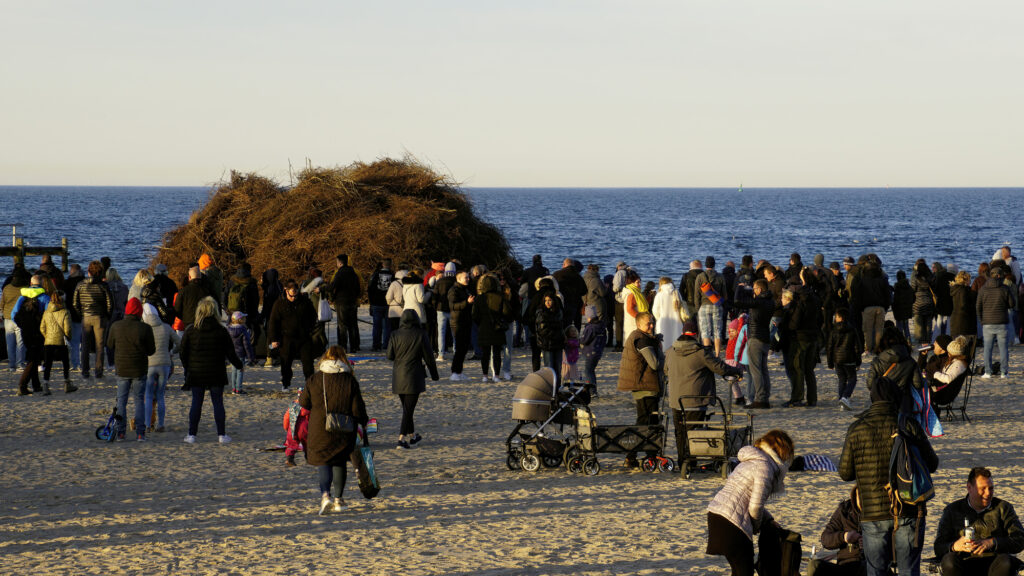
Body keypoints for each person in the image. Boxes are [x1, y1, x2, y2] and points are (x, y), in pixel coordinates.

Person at [839, 364, 938, 576]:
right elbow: (933, 464)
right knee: (908, 570)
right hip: (908, 507)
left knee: (876, 571)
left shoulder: (857, 428)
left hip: (873, 513)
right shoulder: (908, 424)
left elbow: (845, 473)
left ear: (872, 398)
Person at [706, 429, 795, 576]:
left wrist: (769, 520)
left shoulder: (753, 460)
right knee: (744, 571)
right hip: (732, 523)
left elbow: (747, 499)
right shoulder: (765, 467)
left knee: (740, 570)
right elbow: (755, 506)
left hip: (716, 515)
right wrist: (756, 526)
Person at [298, 345, 368, 515]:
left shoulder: (315, 379)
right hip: (344, 428)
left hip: (319, 427)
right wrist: (363, 423)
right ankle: (338, 499)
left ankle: (325, 496)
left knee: (324, 461)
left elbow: (304, 403)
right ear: (343, 359)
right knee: (340, 461)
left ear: (325, 359)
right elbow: (357, 408)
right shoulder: (349, 380)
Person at [666, 320, 742, 463]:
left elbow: (665, 370)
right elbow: (720, 367)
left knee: (680, 432)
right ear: (697, 335)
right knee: (694, 433)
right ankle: (691, 461)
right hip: (696, 399)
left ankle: (682, 461)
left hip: (676, 400)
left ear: (682, 333)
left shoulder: (670, 351)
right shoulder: (701, 352)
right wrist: (737, 371)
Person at [935, 467, 1024, 576]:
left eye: (991, 488)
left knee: (1006, 562)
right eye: (982, 488)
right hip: (963, 563)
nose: (988, 493)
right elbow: (938, 547)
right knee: (949, 561)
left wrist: (992, 542)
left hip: (995, 563)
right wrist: (954, 546)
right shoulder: (952, 510)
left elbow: (1020, 540)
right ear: (969, 487)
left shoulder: (1003, 508)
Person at [181, 297, 242, 444]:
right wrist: (239, 365)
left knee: (196, 402)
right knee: (217, 402)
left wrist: (187, 367)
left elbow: (183, 352)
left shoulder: (191, 330)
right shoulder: (221, 330)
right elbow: (230, 352)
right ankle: (221, 435)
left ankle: (191, 435)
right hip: (216, 370)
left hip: (196, 371)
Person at [386, 310, 439, 449]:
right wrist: (434, 374)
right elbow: (429, 357)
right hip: (414, 376)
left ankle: (413, 436)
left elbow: (390, 356)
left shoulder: (394, 334)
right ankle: (401, 440)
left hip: (398, 376)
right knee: (408, 410)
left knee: (407, 408)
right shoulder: (421, 334)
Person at [617, 311, 663, 469]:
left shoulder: (639, 337)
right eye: (648, 323)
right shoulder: (642, 340)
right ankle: (638, 455)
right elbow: (655, 364)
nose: (651, 325)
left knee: (646, 421)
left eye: (652, 322)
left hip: (642, 386)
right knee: (647, 423)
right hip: (645, 387)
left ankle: (642, 455)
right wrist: (659, 348)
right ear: (638, 325)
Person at [106, 298, 156, 440]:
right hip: (139, 368)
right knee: (139, 400)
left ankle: (121, 432)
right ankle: (140, 433)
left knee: (121, 401)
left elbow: (109, 345)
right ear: (139, 312)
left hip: (122, 368)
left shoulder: (116, 326)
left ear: (127, 310)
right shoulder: (145, 328)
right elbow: (151, 350)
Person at [732, 279, 775, 409]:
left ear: (760, 290)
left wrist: (739, 288)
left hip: (755, 338)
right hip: (765, 339)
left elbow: (737, 301)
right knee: (764, 370)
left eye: (755, 289)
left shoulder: (758, 302)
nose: (753, 291)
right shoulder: (770, 301)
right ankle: (765, 397)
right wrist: (750, 291)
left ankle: (760, 399)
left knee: (756, 371)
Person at [268, 280, 317, 391]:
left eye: (295, 293)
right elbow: (273, 322)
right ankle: (286, 384)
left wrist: (309, 329)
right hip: (286, 338)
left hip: (304, 337)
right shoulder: (279, 304)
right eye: (291, 294)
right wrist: (274, 339)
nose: (293, 297)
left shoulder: (305, 301)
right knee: (286, 363)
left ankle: (310, 385)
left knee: (308, 363)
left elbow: (313, 316)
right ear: (286, 290)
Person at [811, 487, 866, 576]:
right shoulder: (845, 510)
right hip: (845, 565)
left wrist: (872, 544)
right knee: (814, 565)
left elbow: (893, 544)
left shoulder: (882, 511)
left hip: (871, 565)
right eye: (860, 495)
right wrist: (844, 537)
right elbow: (825, 539)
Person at [73, 261, 112, 379]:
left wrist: (82, 314)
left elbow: (75, 303)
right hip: (100, 317)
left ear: (89, 271)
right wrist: (107, 316)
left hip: (86, 317)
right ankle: (98, 372)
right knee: (100, 346)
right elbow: (110, 303)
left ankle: (85, 371)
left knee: (85, 345)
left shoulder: (80, 284)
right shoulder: (103, 285)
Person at [142, 303, 177, 433]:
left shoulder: (144, 328)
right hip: (165, 364)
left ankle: (147, 424)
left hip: (150, 365)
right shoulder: (166, 327)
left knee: (149, 395)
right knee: (161, 395)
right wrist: (171, 351)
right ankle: (160, 425)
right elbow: (179, 342)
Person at [472, 273, 513, 382]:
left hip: (484, 327)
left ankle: (485, 375)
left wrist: (480, 322)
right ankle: (496, 376)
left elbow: (474, 315)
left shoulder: (479, 298)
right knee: (496, 353)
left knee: (485, 354)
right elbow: (507, 312)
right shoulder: (500, 297)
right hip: (496, 328)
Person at [977, 266, 1015, 378]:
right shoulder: (1005, 288)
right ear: (999, 276)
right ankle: (1004, 372)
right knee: (1003, 349)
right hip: (1002, 322)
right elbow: (1012, 304)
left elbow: (978, 306)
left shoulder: (983, 289)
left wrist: (981, 320)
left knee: (987, 349)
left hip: (987, 323)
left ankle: (988, 372)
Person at [40, 291, 76, 394]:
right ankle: (66, 383)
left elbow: (42, 327)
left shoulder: (46, 312)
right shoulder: (65, 311)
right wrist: (68, 337)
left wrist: (47, 336)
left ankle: (46, 385)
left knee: (48, 364)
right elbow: (68, 328)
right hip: (61, 341)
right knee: (65, 363)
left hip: (49, 341)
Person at [827, 308, 862, 411]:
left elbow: (830, 347)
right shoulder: (852, 329)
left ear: (841, 318)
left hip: (837, 359)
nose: (835, 318)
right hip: (849, 358)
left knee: (842, 379)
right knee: (852, 379)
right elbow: (857, 347)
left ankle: (842, 401)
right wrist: (858, 361)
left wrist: (830, 362)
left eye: (836, 316)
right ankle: (844, 397)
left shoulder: (833, 330)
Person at [328, 254, 362, 352]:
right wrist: (356, 297)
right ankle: (354, 346)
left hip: (341, 302)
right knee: (352, 325)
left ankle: (343, 347)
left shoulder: (339, 273)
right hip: (352, 302)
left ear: (339, 263)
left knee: (342, 325)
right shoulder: (354, 273)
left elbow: (333, 286)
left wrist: (330, 295)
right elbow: (359, 288)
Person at [695, 257, 727, 356]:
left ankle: (708, 355)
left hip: (704, 306)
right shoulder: (720, 276)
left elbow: (696, 294)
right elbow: (725, 294)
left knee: (705, 332)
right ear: (714, 264)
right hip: (717, 305)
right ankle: (717, 354)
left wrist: (697, 308)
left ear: (705, 265)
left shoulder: (700, 276)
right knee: (717, 331)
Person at [925, 335, 970, 406]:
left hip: (944, 394)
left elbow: (948, 379)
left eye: (949, 352)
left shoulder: (959, 364)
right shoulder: (953, 361)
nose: (948, 354)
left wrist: (935, 374)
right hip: (941, 389)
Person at [13, 295, 45, 396]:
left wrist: (22, 326)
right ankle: (22, 385)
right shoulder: (36, 313)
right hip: (35, 335)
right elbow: (40, 322)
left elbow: (15, 318)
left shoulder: (22, 311)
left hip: (25, 334)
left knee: (34, 359)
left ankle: (36, 385)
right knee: (33, 360)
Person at [448, 270, 474, 381]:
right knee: (459, 348)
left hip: (466, 321)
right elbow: (453, 306)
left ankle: (459, 372)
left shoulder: (466, 289)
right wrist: (466, 303)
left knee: (464, 348)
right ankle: (454, 372)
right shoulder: (454, 290)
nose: (467, 279)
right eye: (465, 278)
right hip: (457, 322)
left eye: (468, 277)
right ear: (458, 279)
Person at [3, 266, 30, 371]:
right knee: (21, 342)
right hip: (21, 318)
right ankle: (20, 364)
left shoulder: (6, 288)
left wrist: (2, 313)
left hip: (8, 318)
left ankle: (11, 365)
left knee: (10, 343)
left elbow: (2, 303)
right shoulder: (26, 289)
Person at [367, 259, 395, 351]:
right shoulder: (393, 275)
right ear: (390, 265)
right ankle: (386, 345)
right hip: (388, 304)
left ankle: (376, 345)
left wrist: (371, 302)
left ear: (382, 264)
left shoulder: (375, 274)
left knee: (376, 326)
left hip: (376, 303)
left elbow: (370, 288)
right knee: (387, 326)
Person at [552, 258, 586, 329]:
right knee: (576, 324)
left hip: (561, 303)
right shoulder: (578, 276)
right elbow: (584, 291)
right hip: (575, 304)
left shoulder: (557, 274)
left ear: (564, 264)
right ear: (573, 265)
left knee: (562, 324)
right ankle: (575, 338)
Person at [579, 305, 606, 396]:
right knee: (591, 370)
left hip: (590, 353)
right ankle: (593, 390)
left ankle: (592, 391)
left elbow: (584, 340)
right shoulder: (601, 326)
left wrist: (579, 340)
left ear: (589, 317)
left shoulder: (590, 328)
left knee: (588, 371)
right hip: (598, 352)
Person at [432, 262, 456, 361]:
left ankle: (441, 354)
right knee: (454, 332)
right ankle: (456, 352)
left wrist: (435, 306)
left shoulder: (440, 281)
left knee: (441, 332)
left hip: (441, 309)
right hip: (453, 309)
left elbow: (435, 296)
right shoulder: (456, 281)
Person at [651, 277, 683, 352]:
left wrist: (659, 318)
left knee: (664, 342)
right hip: (676, 321)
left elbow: (655, 310)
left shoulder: (659, 294)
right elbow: (681, 306)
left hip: (663, 321)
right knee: (676, 340)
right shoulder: (676, 292)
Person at [227, 311, 255, 394]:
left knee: (233, 371)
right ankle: (238, 389)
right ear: (240, 320)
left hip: (232, 354)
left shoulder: (229, 329)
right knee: (240, 371)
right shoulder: (243, 330)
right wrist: (251, 357)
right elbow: (247, 344)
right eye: (243, 318)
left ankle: (233, 388)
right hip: (241, 353)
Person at [911, 260, 936, 345]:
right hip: (929, 302)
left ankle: (920, 341)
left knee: (919, 324)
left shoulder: (916, 277)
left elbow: (913, 288)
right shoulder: (931, 277)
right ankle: (928, 340)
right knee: (928, 323)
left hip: (918, 303)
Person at [950, 270, 977, 338]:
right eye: (969, 279)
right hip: (964, 322)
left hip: (955, 320)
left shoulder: (955, 289)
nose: (970, 282)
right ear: (965, 280)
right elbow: (964, 305)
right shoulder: (965, 290)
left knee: (956, 344)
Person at [892, 269, 915, 342]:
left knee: (899, 327)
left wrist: (894, 308)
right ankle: (909, 341)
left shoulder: (897, 287)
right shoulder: (909, 287)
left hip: (899, 311)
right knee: (906, 327)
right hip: (907, 310)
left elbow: (895, 300)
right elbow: (913, 298)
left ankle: (900, 341)